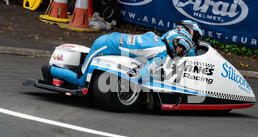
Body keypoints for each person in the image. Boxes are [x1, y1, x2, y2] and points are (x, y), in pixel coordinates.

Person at [48, 20, 203, 88]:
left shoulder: (155, 37)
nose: (180, 52)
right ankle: (51, 70)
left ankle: (69, 70)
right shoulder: (162, 53)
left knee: (82, 73)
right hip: (105, 45)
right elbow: (142, 76)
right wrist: (160, 76)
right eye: (180, 49)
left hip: (109, 40)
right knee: (82, 81)